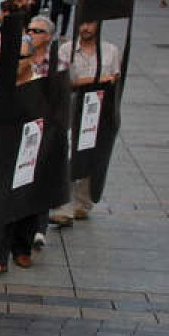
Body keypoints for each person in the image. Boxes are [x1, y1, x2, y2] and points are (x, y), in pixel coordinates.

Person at [53, 21, 121, 227]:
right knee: (69, 153)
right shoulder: (67, 50)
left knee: (94, 154)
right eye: (83, 23)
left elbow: (115, 79)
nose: (86, 28)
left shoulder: (110, 50)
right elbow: (66, 81)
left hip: (100, 108)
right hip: (73, 106)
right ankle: (63, 206)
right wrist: (98, 78)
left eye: (91, 24)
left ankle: (83, 203)